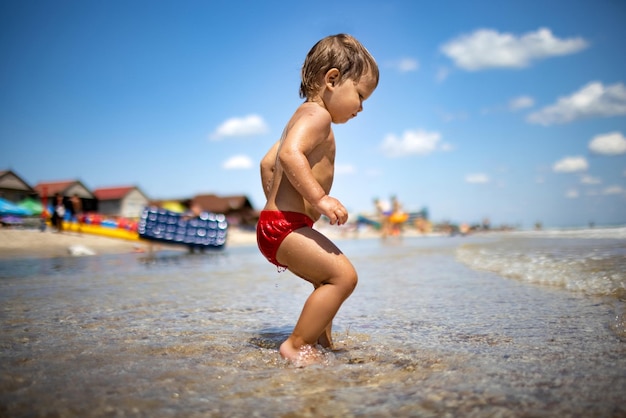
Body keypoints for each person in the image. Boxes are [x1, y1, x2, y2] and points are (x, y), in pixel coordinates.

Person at [256, 34, 379, 365]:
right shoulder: (317, 116)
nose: (361, 108)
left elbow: (268, 163)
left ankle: (321, 343)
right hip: (285, 225)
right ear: (333, 79)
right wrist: (318, 198)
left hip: (279, 223)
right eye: (360, 95)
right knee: (344, 277)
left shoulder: (298, 116)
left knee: (326, 280)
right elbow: (289, 154)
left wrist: (276, 203)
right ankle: (297, 345)